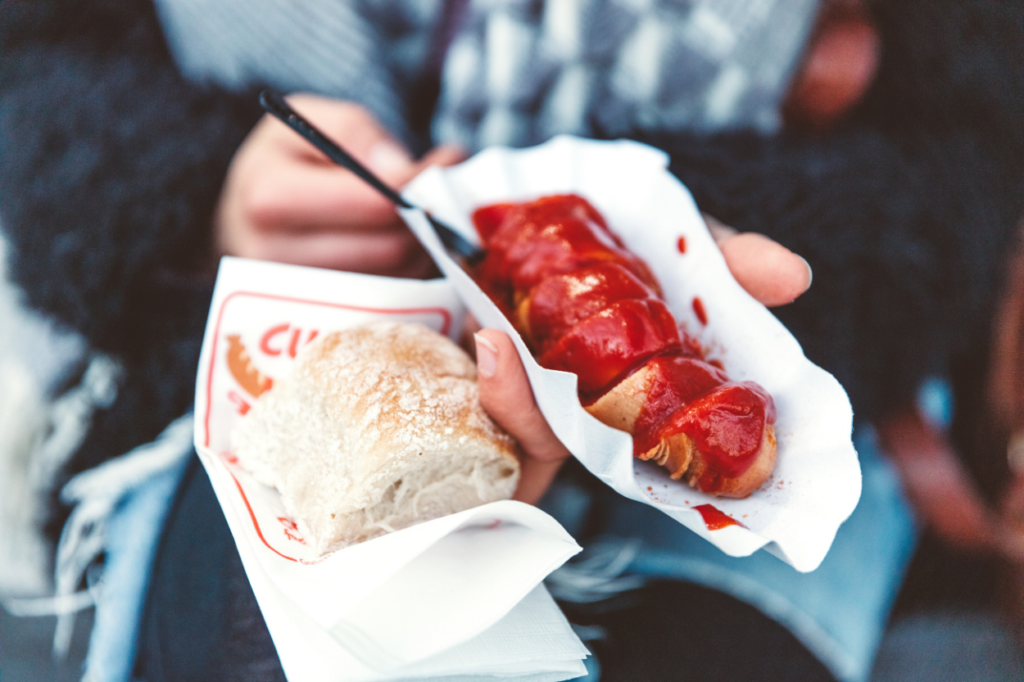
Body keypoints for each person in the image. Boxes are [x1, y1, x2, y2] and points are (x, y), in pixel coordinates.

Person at [0, 1, 1022, 681]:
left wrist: (657, 232)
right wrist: (196, 185)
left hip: (823, 355)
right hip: (239, 362)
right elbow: (28, 62)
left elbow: (974, 155)